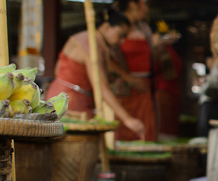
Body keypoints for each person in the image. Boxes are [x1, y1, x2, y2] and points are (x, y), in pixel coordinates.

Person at [45, 9, 146, 139]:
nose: (121, 41)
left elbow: (57, 69)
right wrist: (128, 119)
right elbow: (101, 87)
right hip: (70, 102)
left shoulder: (89, 39)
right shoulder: (91, 42)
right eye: (121, 35)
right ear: (106, 26)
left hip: (62, 96)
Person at [111, 0, 158, 141]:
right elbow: (107, 59)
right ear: (133, 5)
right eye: (143, 4)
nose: (146, 9)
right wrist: (129, 79)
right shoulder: (116, 25)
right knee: (123, 129)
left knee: (145, 131)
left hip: (143, 88)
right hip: (122, 89)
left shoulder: (144, 28)